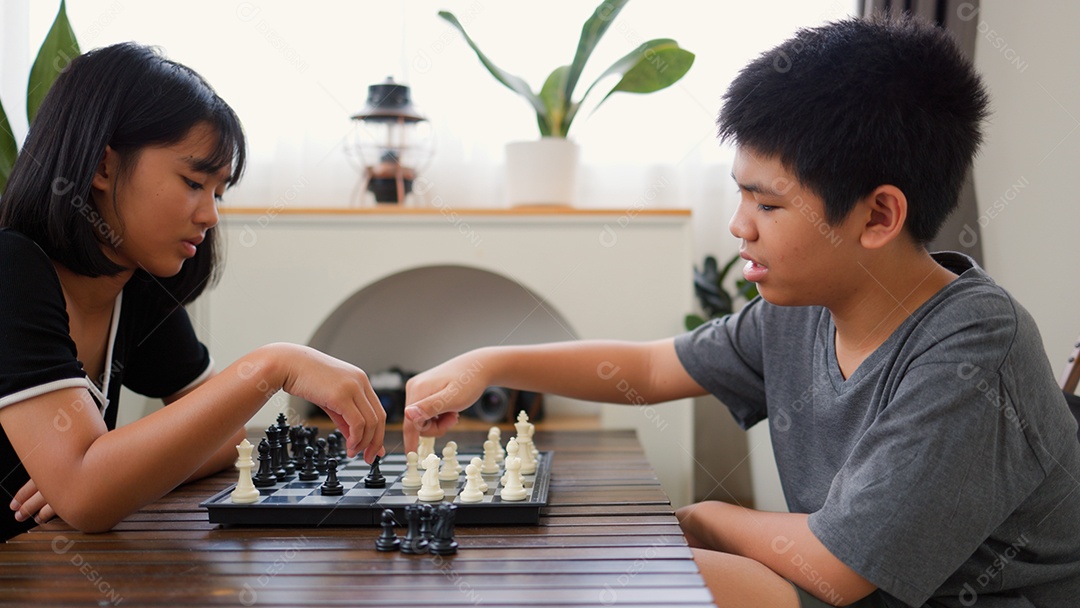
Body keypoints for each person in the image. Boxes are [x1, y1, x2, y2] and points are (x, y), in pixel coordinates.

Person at [402, 15, 1080, 608]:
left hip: (887, 587)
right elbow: (649, 366)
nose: (739, 226)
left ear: (878, 215)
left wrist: (708, 518)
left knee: (609, 576)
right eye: (740, 197)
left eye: (768, 204)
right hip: (847, 583)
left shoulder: (975, 346)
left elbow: (837, 569)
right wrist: (487, 361)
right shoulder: (803, 305)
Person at [0, 43, 386, 542]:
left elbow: (223, 441)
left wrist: (107, 474)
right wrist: (273, 365)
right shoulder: (12, 269)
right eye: (192, 181)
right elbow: (87, 499)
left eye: (218, 192)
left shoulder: (134, 285)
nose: (210, 215)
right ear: (102, 168)